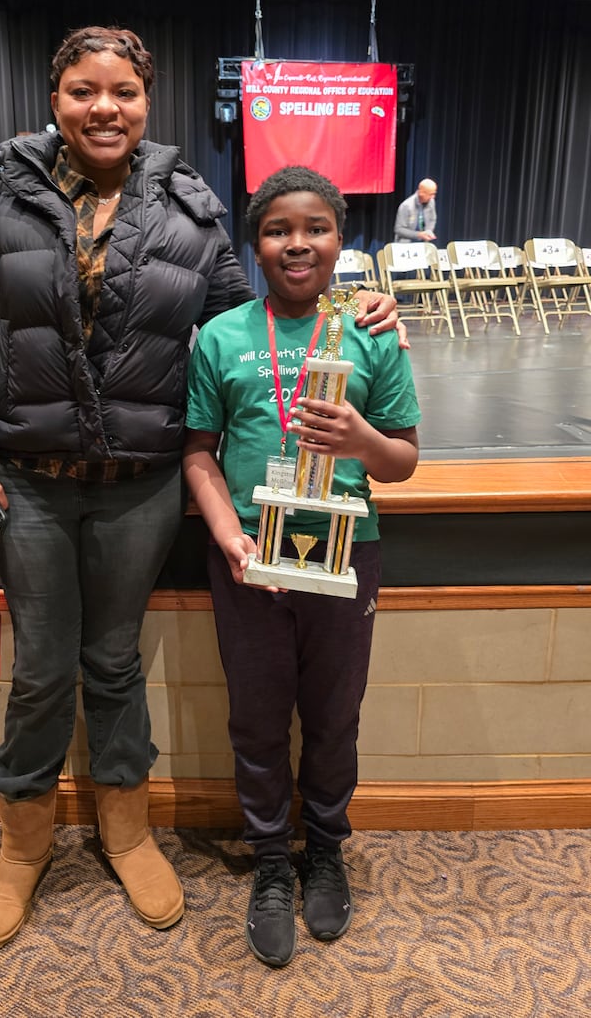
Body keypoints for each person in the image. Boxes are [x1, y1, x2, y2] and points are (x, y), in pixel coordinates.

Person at [0, 26, 401, 953]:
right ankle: (20, 848)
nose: (103, 106)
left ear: (148, 101)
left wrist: (358, 303)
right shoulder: (2, 196)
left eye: (123, 91)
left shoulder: (191, 208)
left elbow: (256, 317)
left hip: (140, 485)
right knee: (39, 673)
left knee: (113, 663)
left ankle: (128, 829)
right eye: (81, 89)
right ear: (55, 96)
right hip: (29, 477)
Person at [183, 166, 420, 968]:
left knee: (333, 714)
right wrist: (228, 536)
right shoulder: (221, 338)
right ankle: (272, 863)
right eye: (279, 229)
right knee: (255, 718)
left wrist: (361, 441)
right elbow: (199, 456)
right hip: (251, 558)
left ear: (339, 239)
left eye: (315, 227)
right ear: (255, 244)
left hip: (347, 552)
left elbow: (403, 462)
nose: (297, 243)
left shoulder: (371, 330)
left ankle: (325, 847)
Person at [393, 178, 437, 243]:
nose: (433, 197)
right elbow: (399, 229)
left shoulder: (431, 202)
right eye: (430, 194)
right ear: (421, 193)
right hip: (406, 244)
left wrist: (428, 231)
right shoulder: (406, 206)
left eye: (434, 194)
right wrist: (419, 235)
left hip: (423, 243)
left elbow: (432, 219)